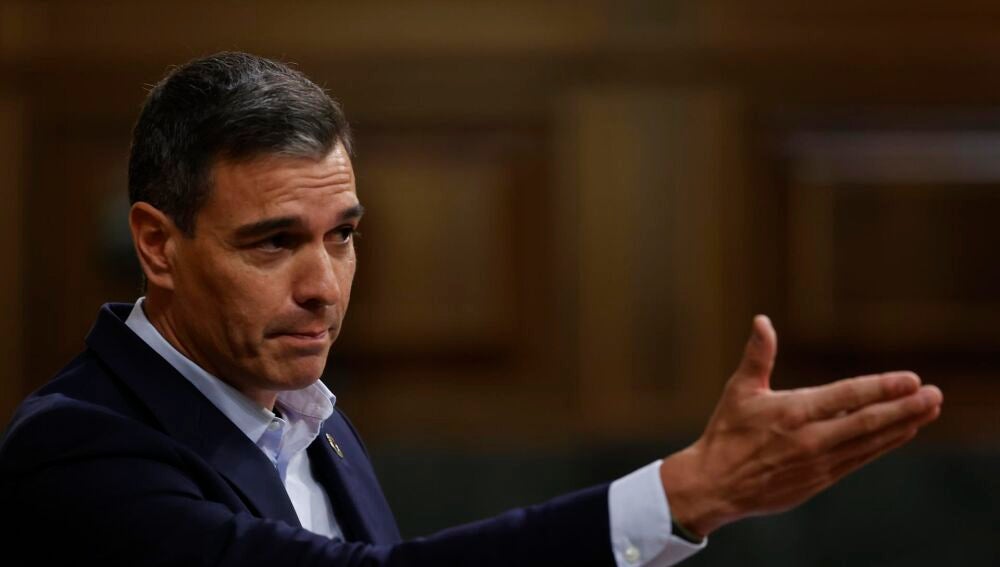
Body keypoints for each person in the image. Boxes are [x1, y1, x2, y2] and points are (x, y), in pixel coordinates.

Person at [0, 52, 942, 566]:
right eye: (274, 241)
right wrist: (682, 493)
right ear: (158, 244)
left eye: (343, 234)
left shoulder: (305, 415)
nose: (324, 284)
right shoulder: (77, 446)